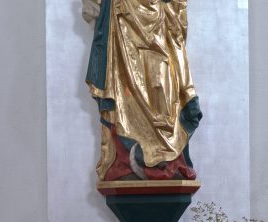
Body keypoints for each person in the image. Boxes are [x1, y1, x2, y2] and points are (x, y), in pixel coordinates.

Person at [83, 0, 202, 181]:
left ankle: (167, 156)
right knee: (124, 87)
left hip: (158, 21)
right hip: (124, 22)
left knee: (164, 88)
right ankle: (130, 157)